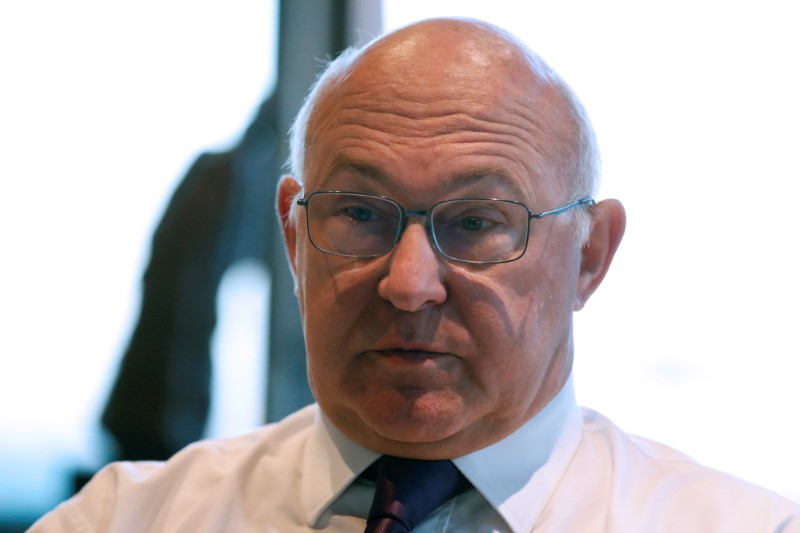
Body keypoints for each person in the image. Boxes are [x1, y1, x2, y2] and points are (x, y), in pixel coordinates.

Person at [31, 17, 799, 533]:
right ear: (295, 238)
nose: (409, 284)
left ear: (590, 256)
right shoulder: (123, 519)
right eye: (360, 214)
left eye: (474, 224)